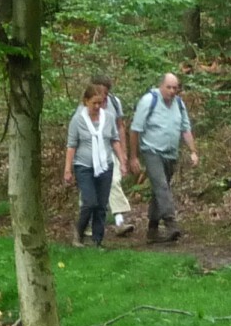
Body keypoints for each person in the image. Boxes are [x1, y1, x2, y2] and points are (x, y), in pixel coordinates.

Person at [129, 72, 199, 243]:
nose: (172, 91)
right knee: (161, 187)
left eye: (175, 88)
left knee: (159, 190)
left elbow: (185, 129)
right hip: (152, 151)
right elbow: (135, 129)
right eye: (169, 87)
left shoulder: (179, 105)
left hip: (170, 153)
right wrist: (133, 156)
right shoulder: (148, 101)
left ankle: (152, 229)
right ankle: (171, 223)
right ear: (161, 86)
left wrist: (193, 151)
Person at [64, 81, 125, 248]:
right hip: (84, 166)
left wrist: (122, 161)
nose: (98, 106)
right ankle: (79, 231)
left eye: (100, 103)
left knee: (102, 204)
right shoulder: (77, 120)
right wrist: (67, 170)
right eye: (94, 103)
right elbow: (71, 145)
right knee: (90, 201)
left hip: (106, 165)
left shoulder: (109, 118)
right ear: (86, 101)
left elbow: (115, 140)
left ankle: (97, 241)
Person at [94, 75, 136, 237]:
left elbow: (120, 127)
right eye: (100, 92)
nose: (103, 96)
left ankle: (119, 221)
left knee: (114, 181)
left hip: (112, 148)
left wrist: (123, 154)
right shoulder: (87, 104)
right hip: (92, 151)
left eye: (105, 92)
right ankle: (89, 223)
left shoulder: (114, 103)